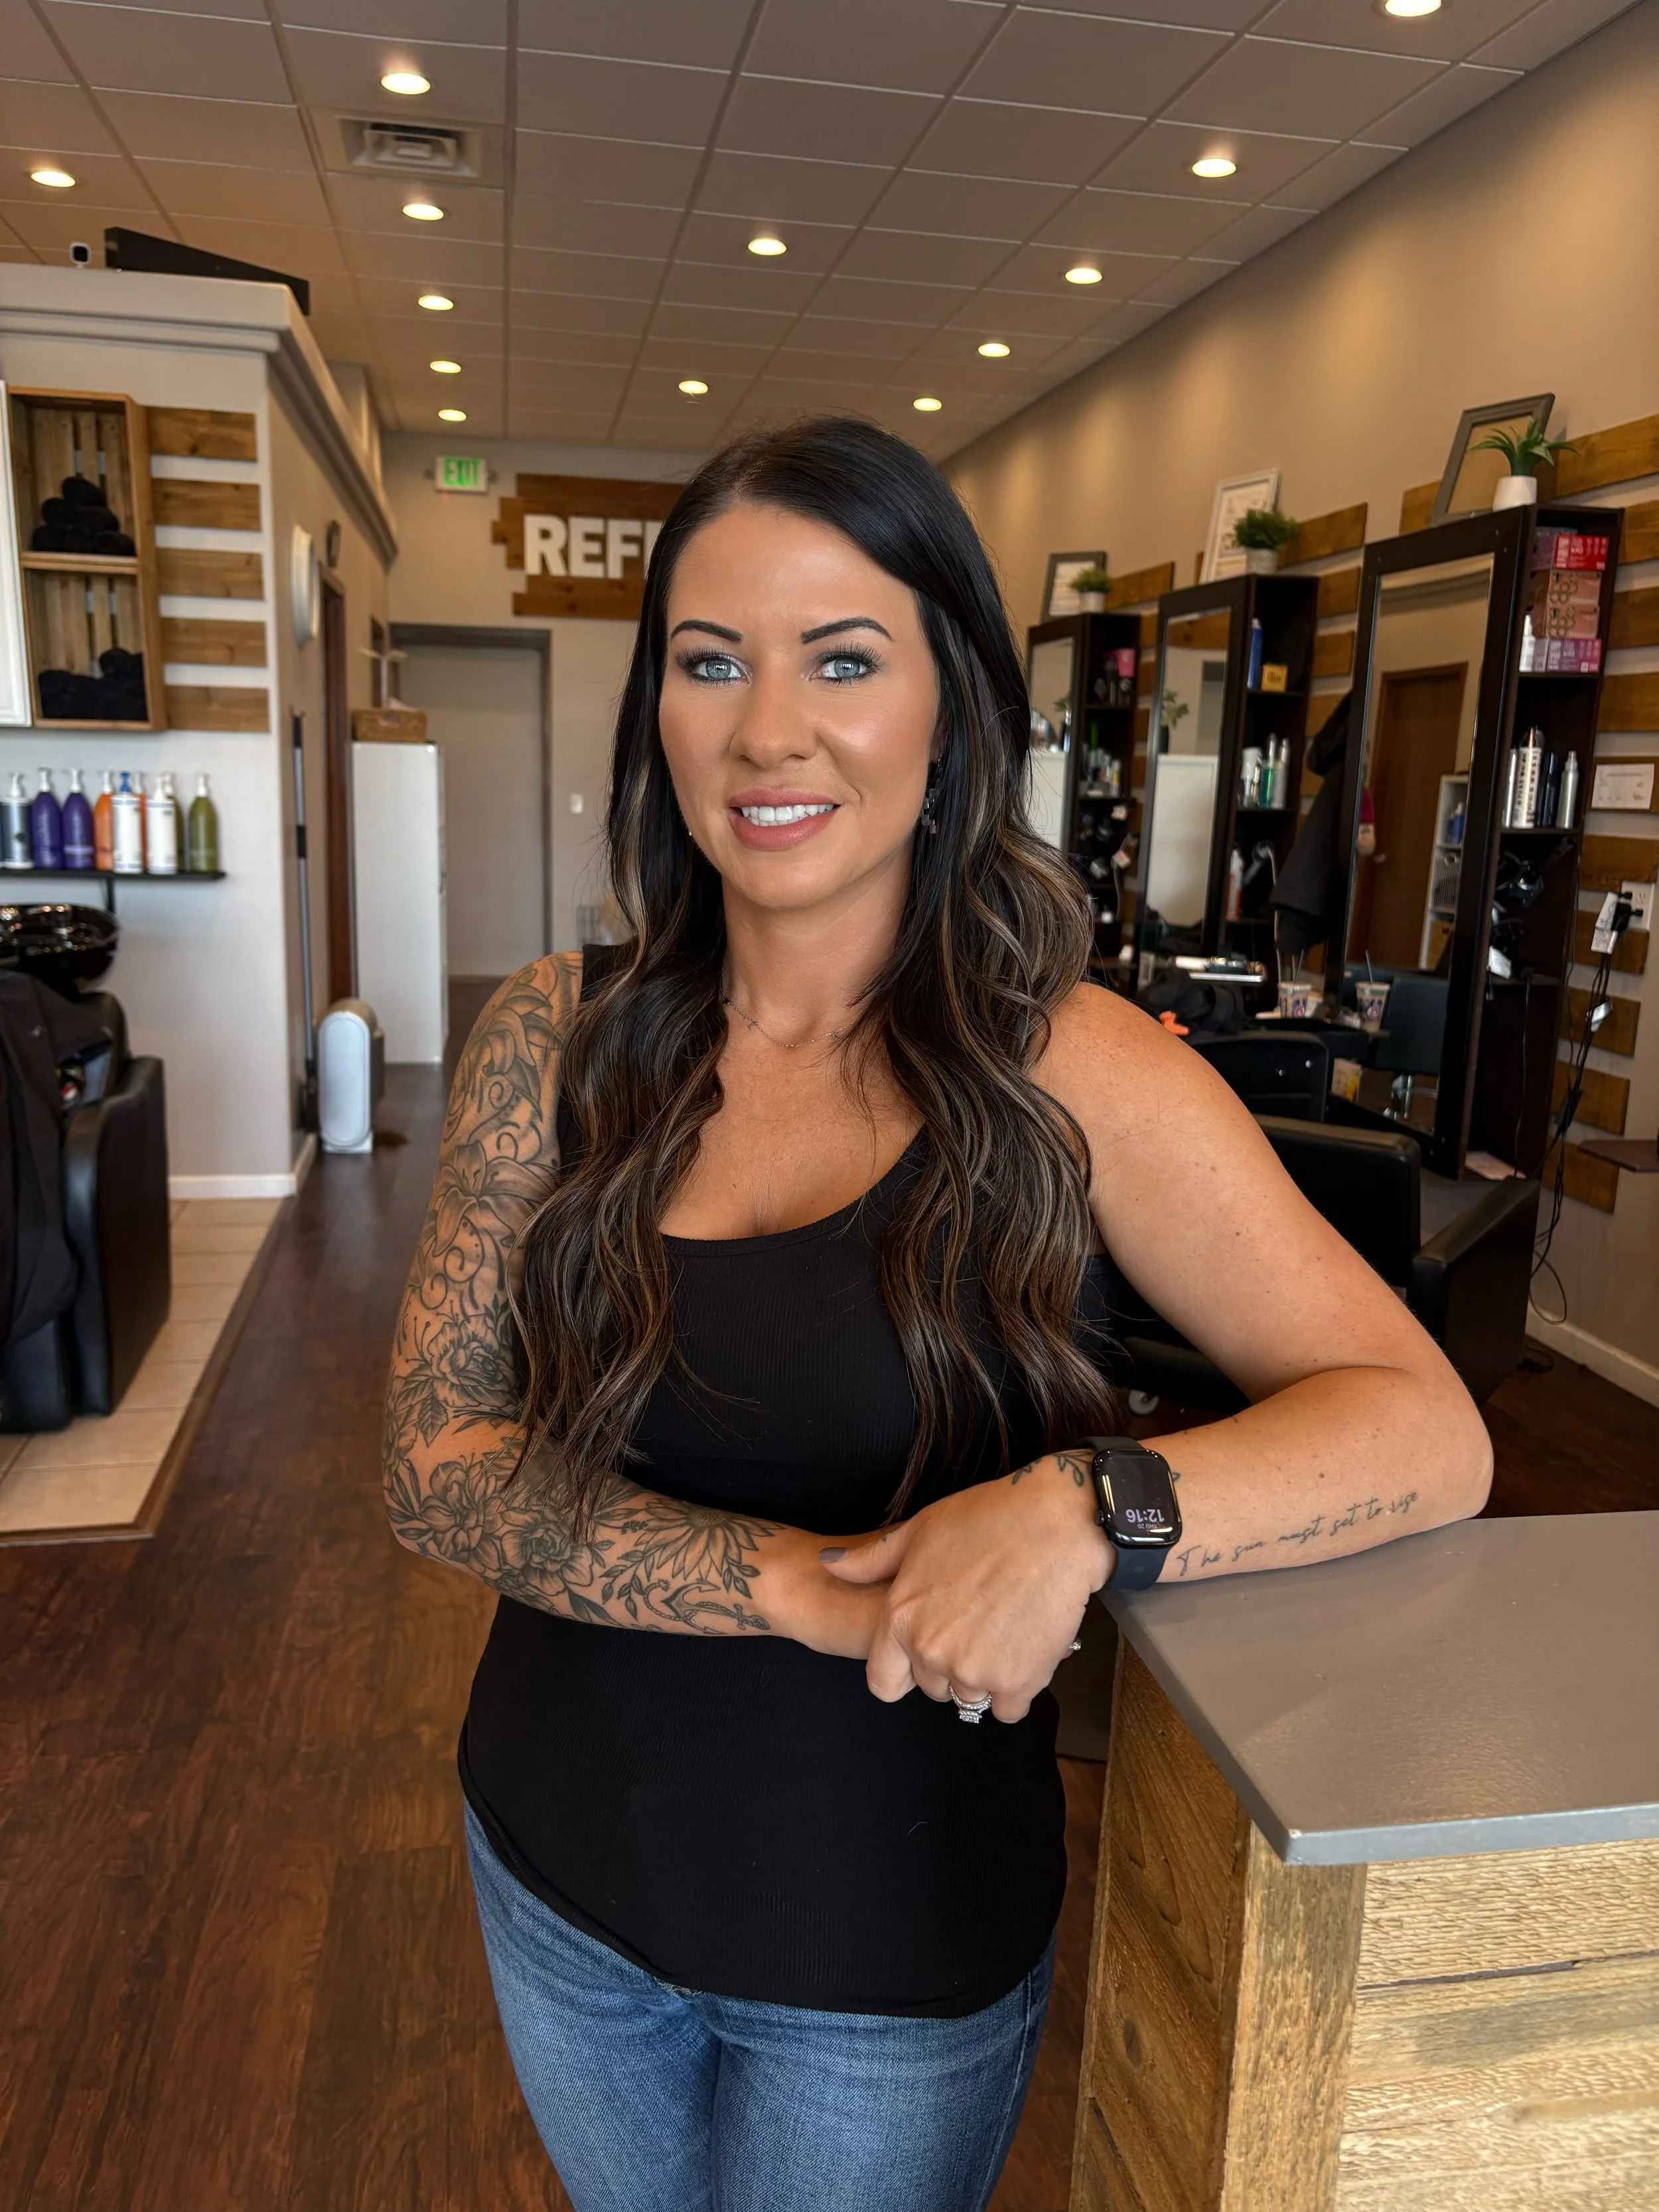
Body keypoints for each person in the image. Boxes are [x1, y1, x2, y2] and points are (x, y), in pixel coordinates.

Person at [383, 417, 1491, 2212]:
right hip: (552, 1866)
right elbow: (435, 1460)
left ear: (951, 703)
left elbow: (1426, 1425)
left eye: (842, 658)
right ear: (651, 706)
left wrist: (1086, 1508)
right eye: (708, 661)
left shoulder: (1074, 1068)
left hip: (880, 1955)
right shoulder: (555, 1033)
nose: (765, 732)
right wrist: (804, 1588)